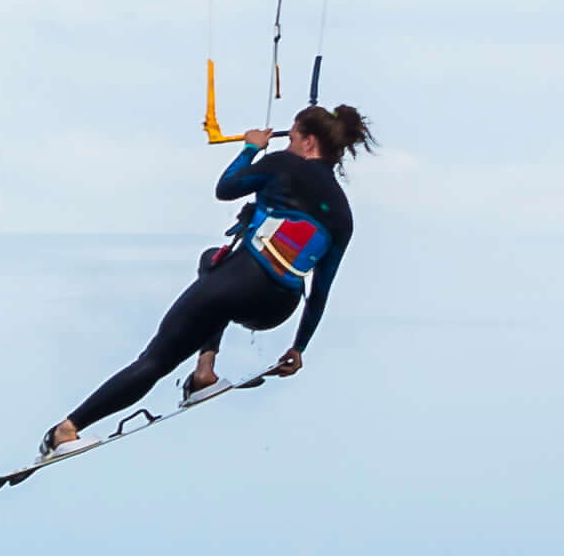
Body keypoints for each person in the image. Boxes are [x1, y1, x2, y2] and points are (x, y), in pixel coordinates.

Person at [47, 102, 368, 452]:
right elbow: (321, 290)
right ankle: (204, 375)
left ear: (308, 143)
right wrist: (299, 346)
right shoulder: (343, 215)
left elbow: (226, 188)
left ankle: (65, 430)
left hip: (240, 282)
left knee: (155, 361)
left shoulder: (284, 164)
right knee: (210, 261)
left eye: (290, 138)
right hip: (278, 307)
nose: (285, 145)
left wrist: (251, 149)